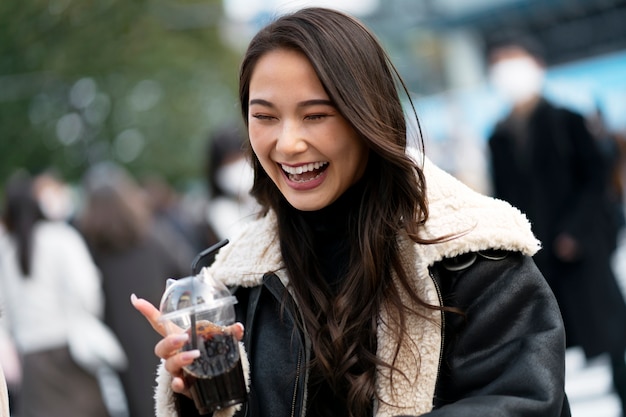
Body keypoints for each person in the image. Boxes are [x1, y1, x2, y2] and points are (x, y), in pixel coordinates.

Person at [132, 7, 570, 417]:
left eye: (315, 115)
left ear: (368, 115)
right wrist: (200, 399)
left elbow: (524, 402)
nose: (287, 144)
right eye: (264, 116)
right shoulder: (227, 280)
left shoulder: (474, 252)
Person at [486, 33, 626, 415]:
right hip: (538, 256)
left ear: (536, 65)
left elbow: (596, 183)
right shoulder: (498, 135)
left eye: (514, 60)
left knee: (611, 335)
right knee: (545, 349)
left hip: (581, 252)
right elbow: (502, 198)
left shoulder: (568, 120)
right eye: (499, 62)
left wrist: (576, 232)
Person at [77, 163, 189, 417]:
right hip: (160, 332)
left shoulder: (89, 248)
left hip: (119, 340)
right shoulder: (153, 235)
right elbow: (184, 269)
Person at [0, 171, 109, 417]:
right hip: (69, 348)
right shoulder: (60, 236)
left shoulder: (5, 249)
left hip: (30, 358)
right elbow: (87, 289)